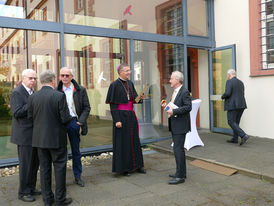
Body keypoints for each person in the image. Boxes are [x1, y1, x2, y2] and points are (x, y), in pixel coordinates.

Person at [28, 70, 73, 206]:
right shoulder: (59, 96)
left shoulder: (33, 97)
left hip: (40, 139)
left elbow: (30, 117)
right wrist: (70, 115)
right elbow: (65, 119)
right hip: (56, 139)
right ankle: (60, 199)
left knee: (44, 169)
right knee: (59, 168)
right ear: (53, 80)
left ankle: (47, 199)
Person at [105, 63, 146, 176]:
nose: (129, 72)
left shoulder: (130, 83)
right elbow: (113, 105)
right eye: (127, 70)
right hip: (121, 117)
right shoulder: (114, 85)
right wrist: (117, 120)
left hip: (131, 116)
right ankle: (125, 168)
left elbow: (134, 100)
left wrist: (140, 98)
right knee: (124, 143)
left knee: (134, 141)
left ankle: (137, 165)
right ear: (121, 72)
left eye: (129, 70)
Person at [10, 68, 41, 202]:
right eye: (30, 78)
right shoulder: (17, 92)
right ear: (23, 79)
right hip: (24, 136)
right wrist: (32, 102)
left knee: (34, 163)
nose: (33, 81)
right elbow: (16, 112)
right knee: (26, 165)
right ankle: (23, 192)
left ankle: (31, 188)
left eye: (35, 78)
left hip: (34, 134)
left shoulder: (32, 92)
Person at [57, 67, 91, 187]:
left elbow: (87, 108)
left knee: (76, 151)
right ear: (59, 77)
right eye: (62, 75)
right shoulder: (56, 90)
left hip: (74, 122)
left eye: (67, 75)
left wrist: (80, 122)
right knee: (60, 151)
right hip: (60, 124)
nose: (65, 78)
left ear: (72, 76)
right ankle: (61, 179)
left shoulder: (80, 90)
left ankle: (78, 176)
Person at [165, 71, 192, 185]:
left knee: (178, 150)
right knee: (178, 150)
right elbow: (176, 105)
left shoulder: (184, 91)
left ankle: (180, 176)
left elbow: (188, 107)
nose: (170, 81)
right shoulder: (175, 91)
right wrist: (167, 107)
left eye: (171, 79)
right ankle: (181, 172)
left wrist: (174, 111)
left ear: (177, 80)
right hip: (176, 124)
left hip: (180, 126)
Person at [221, 69, 249, 146]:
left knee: (231, 121)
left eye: (227, 75)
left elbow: (228, 93)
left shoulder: (229, 81)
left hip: (233, 105)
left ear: (229, 75)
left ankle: (243, 135)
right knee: (236, 122)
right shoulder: (241, 82)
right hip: (241, 105)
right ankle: (235, 139)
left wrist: (222, 96)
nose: (227, 76)